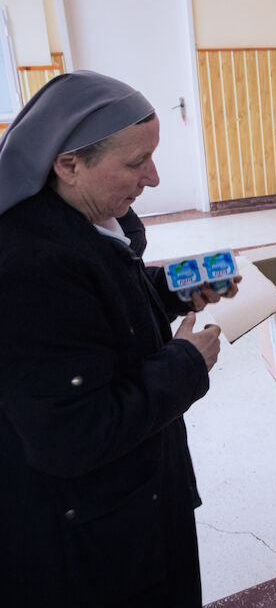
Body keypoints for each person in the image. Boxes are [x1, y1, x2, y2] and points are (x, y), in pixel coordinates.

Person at [0, 71, 239, 607]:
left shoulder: (91, 219)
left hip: (137, 496)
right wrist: (186, 364)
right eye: (136, 163)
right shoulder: (27, 267)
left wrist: (177, 286)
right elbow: (73, 435)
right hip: (90, 536)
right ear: (68, 164)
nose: (153, 178)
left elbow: (105, 308)